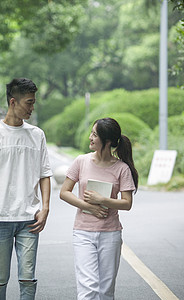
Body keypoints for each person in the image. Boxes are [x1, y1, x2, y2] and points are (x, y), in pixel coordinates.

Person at [0, 78, 53, 300]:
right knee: (0, 280)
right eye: (28, 103)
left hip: (29, 219)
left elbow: (45, 174)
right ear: (12, 102)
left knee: (28, 278)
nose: (32, 108)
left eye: (33, 102)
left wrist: (45, 207)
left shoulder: (37, 134)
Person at [59, 117, 139, 300]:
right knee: (88, 288)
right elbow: (64, 192)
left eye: (94, 135)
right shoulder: (81, 161)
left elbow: (127, 203)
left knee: (106, 290)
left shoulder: (121, 168)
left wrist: (103, 200)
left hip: (110, 233)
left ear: (107, 141)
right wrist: (90, 206)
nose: (90, 137)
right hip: (83, 232)